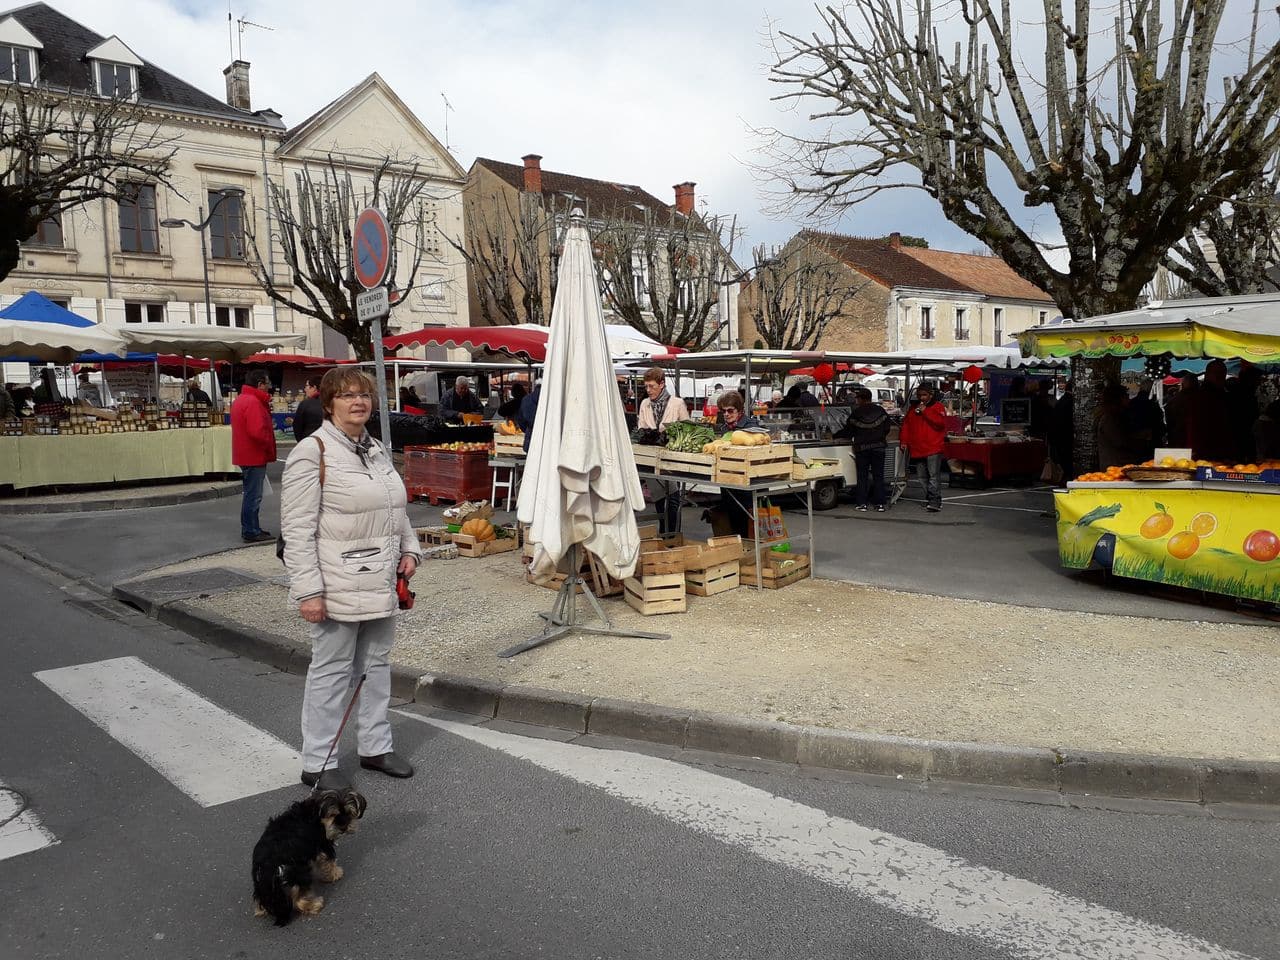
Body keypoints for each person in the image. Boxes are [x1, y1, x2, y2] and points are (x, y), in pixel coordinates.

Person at [280, 367, 421, 791]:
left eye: (364, 394)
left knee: (376, 665)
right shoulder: (313, 452)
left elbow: (394, 509)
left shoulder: (374, 449)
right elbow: (297, 530)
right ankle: (318, 760)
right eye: (347, 395)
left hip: (380, 577)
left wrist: (410, 549)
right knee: (332, 671)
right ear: (329, 403)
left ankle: (375, 746)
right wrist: (308, 591)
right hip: (336, 581)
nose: (358, 402)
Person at [637, 366, 691, 534]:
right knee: (659, 497)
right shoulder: (645, 404)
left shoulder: (677, 403)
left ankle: (673, 535)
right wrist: (649, 435)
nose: (648, 390)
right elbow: (641, 428)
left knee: (673, 497)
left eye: (651, 386)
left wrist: (671, 436)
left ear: (662, 384)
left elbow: (687, 429)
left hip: (672, 457)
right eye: (646, 386)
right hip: (651, 457)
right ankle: (664, 533)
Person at [231, 370, 277, 543]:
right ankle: (251, 530)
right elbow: (257, 432)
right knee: (254, 495)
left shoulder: (241, 399)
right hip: (254, 454)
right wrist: (268, 442)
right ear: (259, 384)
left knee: (251, 494)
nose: (269, 387)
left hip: (245, 453)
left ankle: (251, 528)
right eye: (267, 383)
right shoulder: (253, 402)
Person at [715, 390, 765, 538]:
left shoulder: (751, 426)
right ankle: (739, 546)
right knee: (733, 519)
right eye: (723, 411)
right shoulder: (725, 428)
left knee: (748, 522)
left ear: (740, 410)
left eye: (730, 410)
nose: (726, 414)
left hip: (748, 483)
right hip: (729, 480)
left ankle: (750, 547)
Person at [899, 382, 947, 512]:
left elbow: (940, 424)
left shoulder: (938, 407)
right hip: (917, 447)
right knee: (921, 477)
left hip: (933, 447)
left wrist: (925, 411)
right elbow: (906, 425)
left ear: (931, 395)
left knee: (933, 475)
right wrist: (904, 441)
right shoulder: (913, 408)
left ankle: (935, 501)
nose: (921, 398)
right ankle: (930, 496)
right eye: (919, 395)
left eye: (924, 395)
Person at [842, 388, 890, 512]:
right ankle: (880, 504)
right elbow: (887, 428)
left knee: (862, 476)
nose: (857, 401)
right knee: (878, 476)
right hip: (879, 447)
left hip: (862, 448)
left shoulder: (856, 413)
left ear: (861, 399)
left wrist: (835, 435)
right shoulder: (881, 411)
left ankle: (862, 503)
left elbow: (848, 430)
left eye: (858, 398)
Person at [1190, 360, 1233, 462]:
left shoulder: (1223, 395)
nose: (1220, 377)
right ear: (1208, 374)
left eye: (1223, 373)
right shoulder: (1202, 396)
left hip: (1220, 447)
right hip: (1205, 447)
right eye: (1217, 373)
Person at [1095, 383, 1136, 469]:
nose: (1129, 399)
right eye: (1126, 397)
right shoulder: (1109, 418)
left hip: (1119, 463)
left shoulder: (1115, 416)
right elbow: (1120, 441)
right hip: (1114, 465)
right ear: (1119, 399)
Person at [1124, 378, 1165, 463]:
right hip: (1152, 441)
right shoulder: (1152, 405)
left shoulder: (1131, 404)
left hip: (1135, 443)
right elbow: (1159, 423)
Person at [1049, 380, 1075, 481]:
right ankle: (1067, 476)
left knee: (1063, 457)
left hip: (1058, 434)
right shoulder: (1070, 401)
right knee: (1067, 457)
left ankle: (1065, 475)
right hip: (1065, 434)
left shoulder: (1062, 400)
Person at [1164, 372, 1198, 447]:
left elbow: (1169, 416)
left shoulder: (1177, 399)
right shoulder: (1201, 397)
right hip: (1194, 438)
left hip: (1179, 437)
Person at [293, 377, 324, 442]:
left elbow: (297, 426)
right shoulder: (332, 403)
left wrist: (301, 442)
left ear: (314, 388)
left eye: (307, 386)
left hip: (309, 441)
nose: (305, 389)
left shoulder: (305, 404)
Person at [517, 380, 541, 453]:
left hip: (531, 439)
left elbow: (521, 421)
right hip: (549, 441)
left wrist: (529, 429)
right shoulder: (553, 400)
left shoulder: (526, 399)